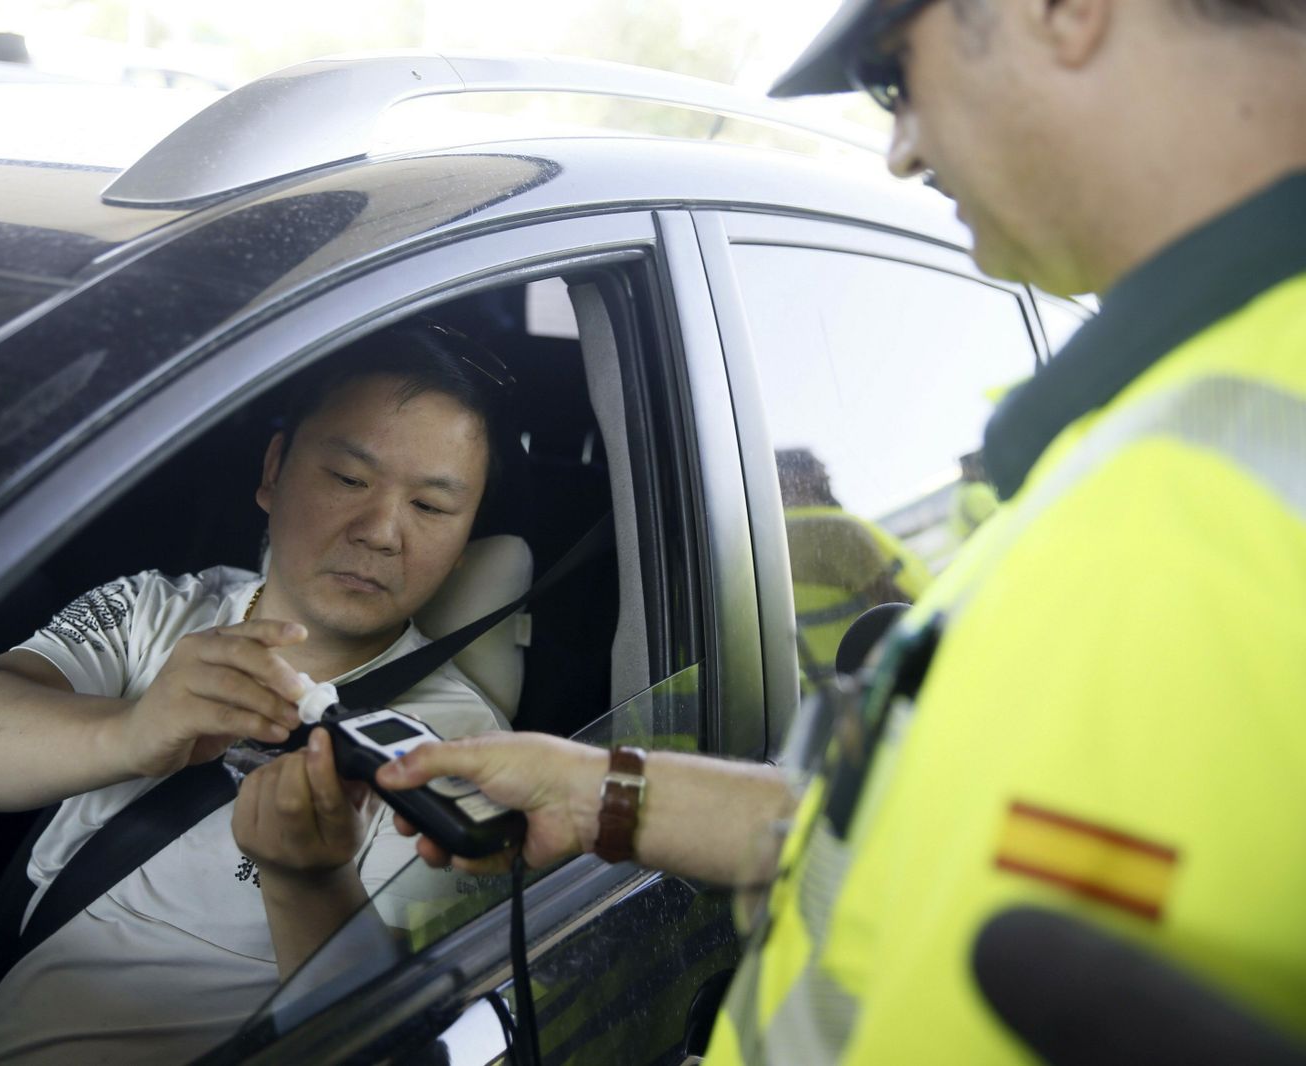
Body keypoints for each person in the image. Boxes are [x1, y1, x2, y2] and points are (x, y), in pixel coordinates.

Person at [376, 1, 1306, 1061]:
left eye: (893, 77)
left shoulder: (1227, 452)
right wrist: (598, 790)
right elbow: (899, 841)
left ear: (1059, 12)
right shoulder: (1152, 428)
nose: (902, 149)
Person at [0, 320, 515, 1063]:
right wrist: (128, 734)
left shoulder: (459, 764)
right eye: (349, 479)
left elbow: (392, 1043)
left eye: (433, 508)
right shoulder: (154, 613)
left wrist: (305, 882)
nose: (382, 531)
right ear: (274, 469)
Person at [776, 447, 930, 681]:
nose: (827, 475)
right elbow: (900, 609)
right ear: (791, 478)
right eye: (817, 468)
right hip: (889, 674)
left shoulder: (763, 542)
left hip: (837, 690)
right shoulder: (833, 530)